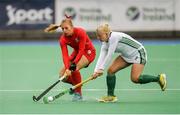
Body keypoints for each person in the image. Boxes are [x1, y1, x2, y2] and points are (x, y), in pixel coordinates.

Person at [92, 24, 167, 103]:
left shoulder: (114, 37)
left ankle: (159, 78)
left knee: (135, 78)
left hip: (138, 53)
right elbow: (102, 56)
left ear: (107, 34)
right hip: (126, 55)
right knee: (111, 71)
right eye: (97, 36)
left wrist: (101, 69)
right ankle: (111, 96)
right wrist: (95, 71)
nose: (98, 38)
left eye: (100, 36)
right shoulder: (105, 43)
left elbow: (110, 54)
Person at [44, 16, 96, 101]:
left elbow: (81, 50)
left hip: (88, 52)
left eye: (66, 28)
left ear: (72, 27)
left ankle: (78, 94)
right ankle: (76, 86)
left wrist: (73, 64)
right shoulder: (62, 39)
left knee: (74, 68)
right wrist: (67, 68)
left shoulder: (80, 32)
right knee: (62, 76)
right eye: (62, 29)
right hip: (76, 52)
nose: (64, 30)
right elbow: (65, 56)